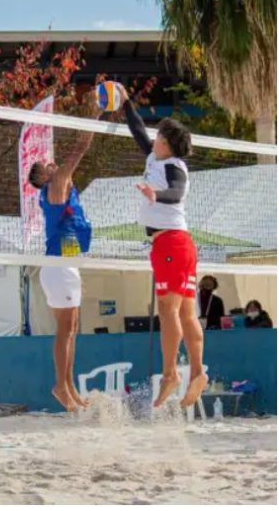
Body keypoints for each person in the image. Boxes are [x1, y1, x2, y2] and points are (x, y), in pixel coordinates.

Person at [122, 84, 206, 408]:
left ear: (168, 144)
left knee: (168, 311)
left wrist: (156, 196)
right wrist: (125, 100)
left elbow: (177, 192)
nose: (153, 138)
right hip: (175, 244)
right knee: (186, 313)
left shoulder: (174, 166)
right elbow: (136, 129)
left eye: (159, 136)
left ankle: (171, 372)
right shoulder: (153, 157)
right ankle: (198, 372)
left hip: (171, 242)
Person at [27, 101, 103, 412]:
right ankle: (61, 385)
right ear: (44, 177)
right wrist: (96, 114)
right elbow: (79, 149)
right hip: (58, 266)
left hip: (63, 264)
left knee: (70, 329)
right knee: (66, 329)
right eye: (48, 164)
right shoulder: (56, 185)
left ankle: (68, 386)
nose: (53, 163)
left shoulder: (61, 189)